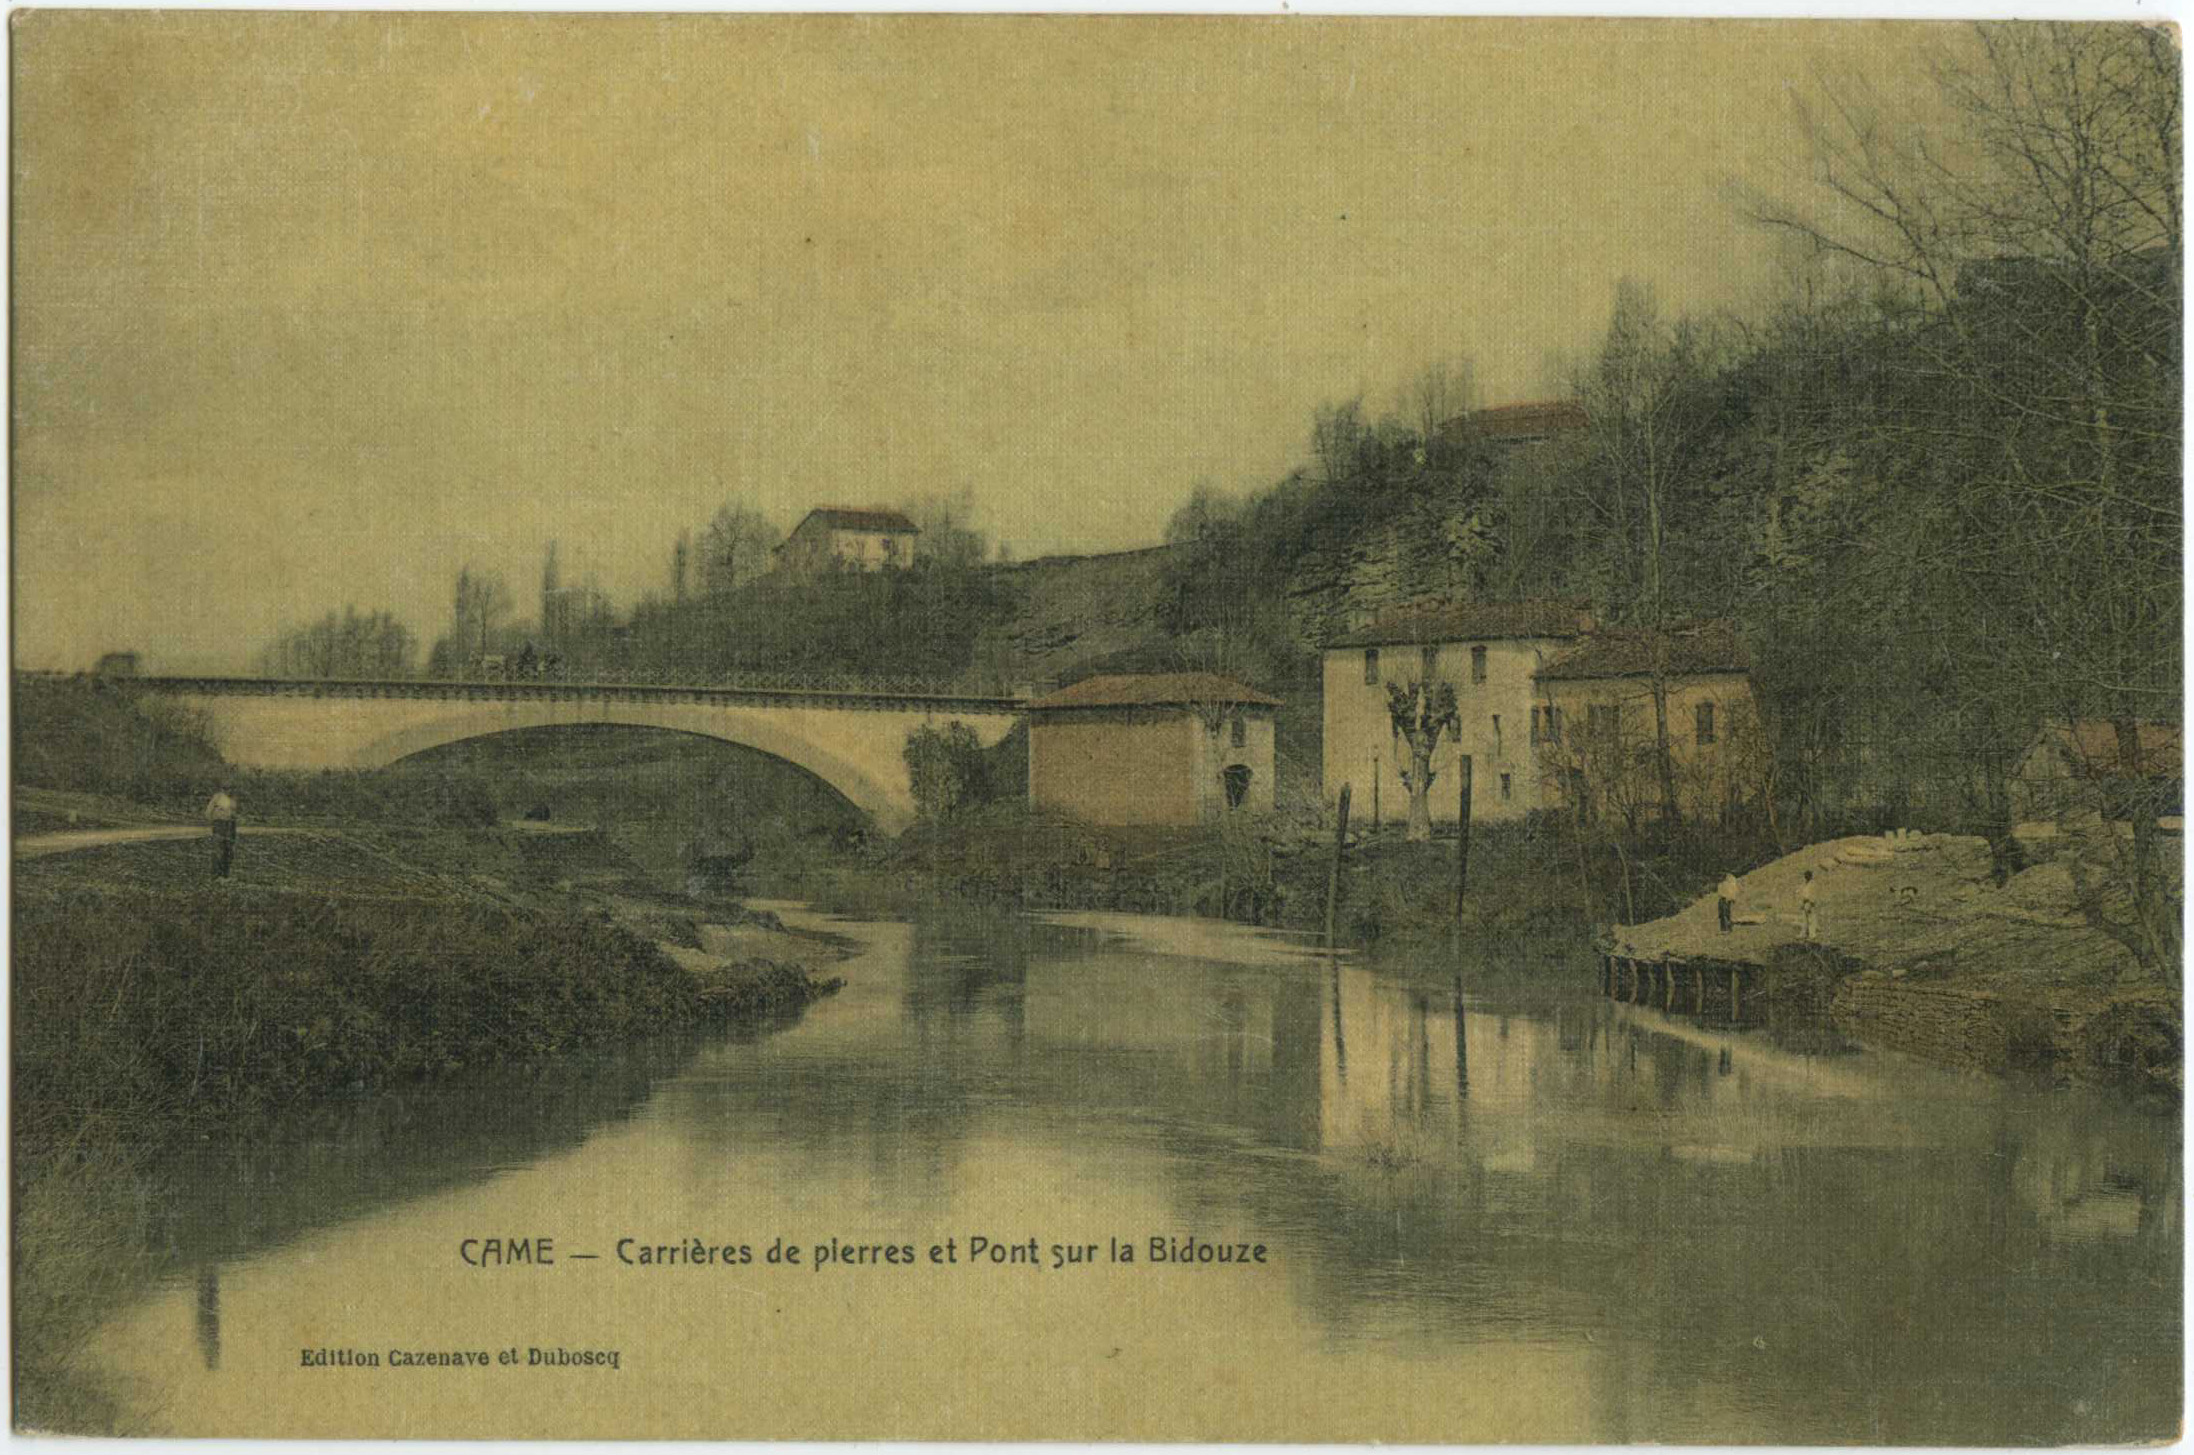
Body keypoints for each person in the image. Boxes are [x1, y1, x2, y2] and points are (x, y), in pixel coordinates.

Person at [206, 786, 238, 880]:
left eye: (230, 788)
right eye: (226, 788)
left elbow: (234, 812)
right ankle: (216, 874)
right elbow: (208, 812)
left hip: (230, 825)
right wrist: (215, 822)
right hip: (219, 824)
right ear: (222, 789)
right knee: (219, 849)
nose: (228, 790)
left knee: (229, 850)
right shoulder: (218, 797)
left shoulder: (233, 799)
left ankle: (225, 874)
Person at [1799, 870, 1818, 942]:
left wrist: (1810, 903)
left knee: (1810, 919)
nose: (1805, 877)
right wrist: (1801, 903)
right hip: (1804, 902)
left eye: (1807, 876)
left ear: (1810, 876)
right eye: (1805, 876)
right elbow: (1802, 894)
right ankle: (1803, 934)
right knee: (1804, 919)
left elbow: (1813, 895)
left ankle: (1812, 934)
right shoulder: (1804, 884)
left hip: (1809, 902)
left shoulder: (1812, 884)